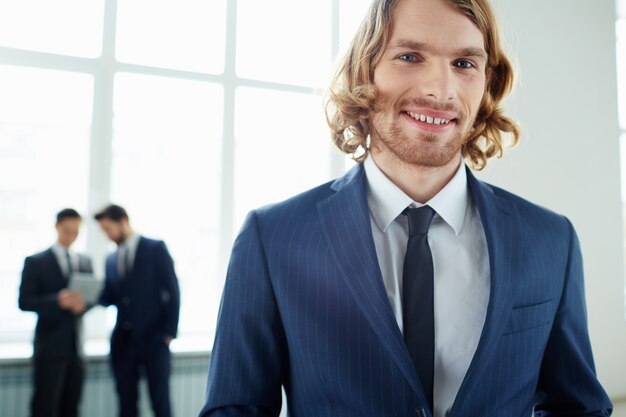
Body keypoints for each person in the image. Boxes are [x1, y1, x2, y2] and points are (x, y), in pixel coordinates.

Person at [200, 0, 615, 416]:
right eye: (410, 56)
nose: (441, 90)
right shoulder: (273, 237)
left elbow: (577, 407)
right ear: (365, 71)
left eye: (464, 63)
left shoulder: (550, 240)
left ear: (486, 82)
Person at [94, 204, 180, 417]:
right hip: (124, 342)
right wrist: (86, 296)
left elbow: (173, 290)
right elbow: (110, 296)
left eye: (108, 228)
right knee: (126, 404)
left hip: (155, 339)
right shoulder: (111, 259)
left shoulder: (155, 248)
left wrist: (169, 332)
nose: (107, 235)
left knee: (160, 403)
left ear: (123, 221)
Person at [18, 208, 93, 417]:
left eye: (76, 232)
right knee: (45, 406)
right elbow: (24, 302)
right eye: (67, 230)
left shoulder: (85, 262)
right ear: (57, 227)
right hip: (49, 348)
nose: (71, 236)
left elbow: (92, 297)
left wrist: (84, 305)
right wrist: (57, 301)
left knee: (71, 407)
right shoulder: (36, 262)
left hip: (76, 349)